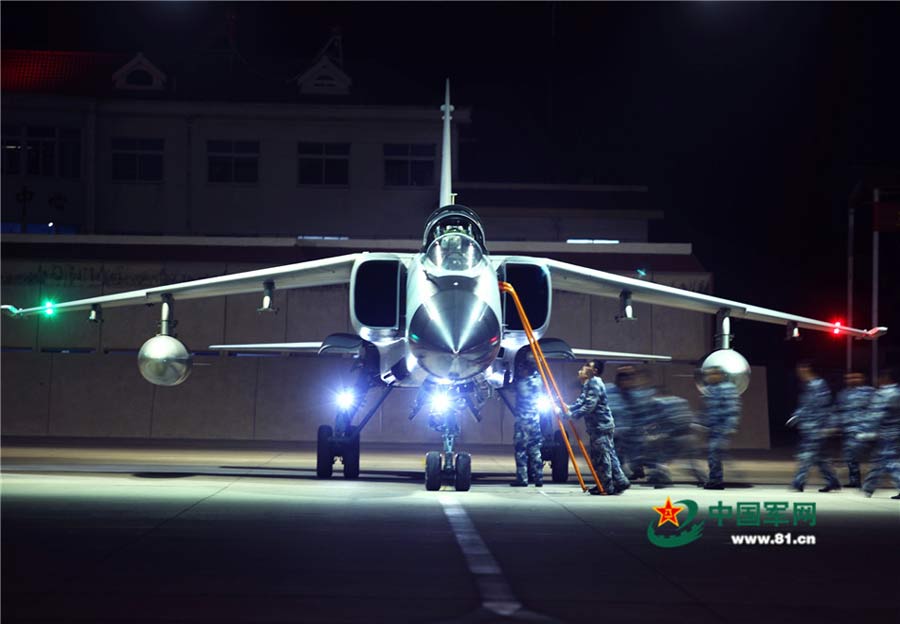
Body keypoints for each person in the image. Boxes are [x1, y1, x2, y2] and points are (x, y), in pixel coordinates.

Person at [564, 360, 630, 495]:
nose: (584, 367)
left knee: (601, 457)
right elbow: (582, 401)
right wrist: (568, 408)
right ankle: (620, 481)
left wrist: (571, 415)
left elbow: (589, 406)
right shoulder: (589, 384)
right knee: (609, 454)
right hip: (601, 425)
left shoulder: (594, 383)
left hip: (600, 426)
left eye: (588, 366)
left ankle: (605, 486)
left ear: (595, 371)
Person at [787, 361, 841, 492]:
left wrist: (827, 427)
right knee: (821, 458)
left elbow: (824, 407)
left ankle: (798, 482)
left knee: (806, 455)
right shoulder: (808, 386)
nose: (798, 373)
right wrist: (796, 416)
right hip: (810, 427)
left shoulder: (818, 385)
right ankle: (833, 481)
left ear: (807, 369)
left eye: (800, 370)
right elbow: (805, 405)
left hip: (816, 428)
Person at [831, 372, 875, 488]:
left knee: (879, 457)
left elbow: (877, 410)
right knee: (850, 457)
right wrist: (834, 425)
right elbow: (837, 411)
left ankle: (873, 482)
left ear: (862, 378)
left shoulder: (870, 392)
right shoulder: (843, 394)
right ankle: (855, 481)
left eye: (855, 377)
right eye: (849, 378)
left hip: (866, 430)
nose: (852, 380)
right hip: (848, 430)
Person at [862, 368, 900, 499]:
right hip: (894, 432)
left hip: (885, 433)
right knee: (879, 460)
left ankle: (869, 487)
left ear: (885, 378)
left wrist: (867, 432)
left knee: (889, 462)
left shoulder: (885, 394)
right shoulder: (897, 392)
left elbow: (877, 415)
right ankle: (868, 487)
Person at [701, 366, 741, 490]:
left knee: (715, 454)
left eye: (711, 374)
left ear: (720, 375)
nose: (708, 377)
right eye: (707, 375)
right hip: (712, 428)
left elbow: (732, 408)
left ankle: (716, 481)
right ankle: (715, 479)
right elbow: (707, 409)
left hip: (721, 428)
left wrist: (729, 426)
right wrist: (702, 423)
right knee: (714, 454)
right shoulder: (710, 389)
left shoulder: (728, 388)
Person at [510, 353, 544, 487]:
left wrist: (508, 378)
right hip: (535, 421)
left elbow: (511, 388)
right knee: (535, 450)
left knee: (521, 450)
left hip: (523, 422)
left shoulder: (521, 384)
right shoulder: (538, 381)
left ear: (526, 369)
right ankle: (539, 478)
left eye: (522, 369)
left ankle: (522, 479)